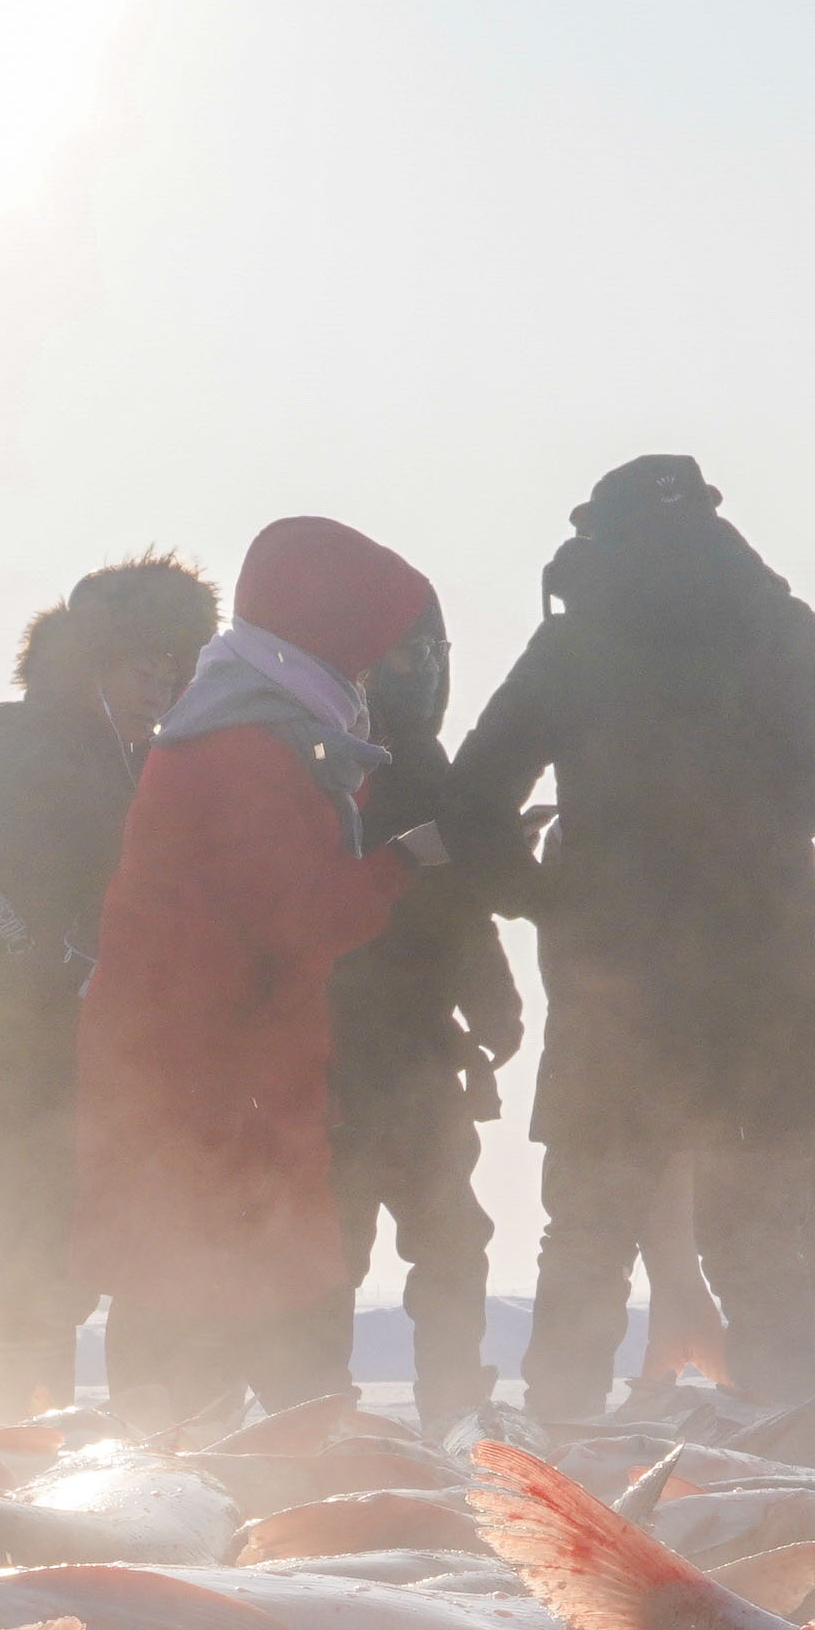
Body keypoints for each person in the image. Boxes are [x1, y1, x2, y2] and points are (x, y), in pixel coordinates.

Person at [452, 453, 815, 1410]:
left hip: (615, 990)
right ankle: (786, 1431)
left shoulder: (575, 645)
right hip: (760, 982)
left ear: (601, 534)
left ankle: (563, 1437)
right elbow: (814, 795)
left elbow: (472, 801)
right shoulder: (789, 632)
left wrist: (550, 896)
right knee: (758, 1234)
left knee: (589, 1235)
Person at [68, 521, 436, 1422]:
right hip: (218, 1080)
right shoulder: (250, 751)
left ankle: (181, 1497)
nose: (376, 670)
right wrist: (405, 863)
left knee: (190, 1295)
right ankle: (262, 1508)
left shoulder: (241, 724)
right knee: (253, 1316)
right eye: (370, 645)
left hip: (202, 1071)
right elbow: (296, 915)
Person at [0, 553, 211, 1413]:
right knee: (39, 1274)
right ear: (93, 661)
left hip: (127, 1068)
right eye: (140, 664)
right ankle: (25, 1449)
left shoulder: (150, 763)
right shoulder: (15, 747)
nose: (158, 686)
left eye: (175, 668)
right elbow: (52, 878)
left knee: (148, 1270)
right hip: (32, 1070)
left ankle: (146, 1456)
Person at [326, 609, 525, 1434]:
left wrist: (492, 1011)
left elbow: (460, 908)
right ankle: (323, 1409)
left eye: (434, 651)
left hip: (408, 1053)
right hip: (343, 1051)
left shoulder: (404, 758)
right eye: (409, 651)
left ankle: (446, 1402)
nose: (426, 669)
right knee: (343, 1243)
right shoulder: (327, 757)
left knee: (440, 1238)